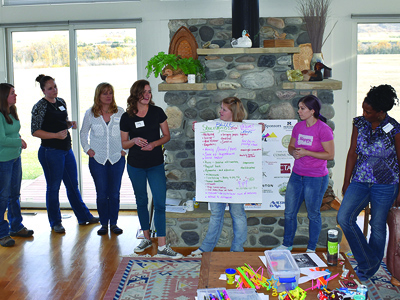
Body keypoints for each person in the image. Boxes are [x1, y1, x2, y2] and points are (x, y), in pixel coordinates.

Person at [337, 84, 400, 280]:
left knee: (378, 225)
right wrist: (346, 181)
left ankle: (368, 269)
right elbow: (352, 153)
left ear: (381, 112)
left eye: (368, 111)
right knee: (344, 218)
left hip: (386, 183)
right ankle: (370, 261)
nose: (364, 113)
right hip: (360, 180)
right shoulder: (359, 124)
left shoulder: (395, 129)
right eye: (363, 108)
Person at [120, 79, 182, 259]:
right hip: (135, 166)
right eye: (144, 92)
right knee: (141, 201)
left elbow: (167, 136)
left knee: (160, 203)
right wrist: (134, 141)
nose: (147, 95)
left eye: (149, 92)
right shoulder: (127, 117)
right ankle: (146, 238)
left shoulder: (157, 112)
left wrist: (154, 144)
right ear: (136, 95)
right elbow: (124, 143)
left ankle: (162, 246)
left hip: (155, 165)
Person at [31, 74, 99, 233]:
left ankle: (84, 217)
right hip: (50, 152)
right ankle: (55, 222)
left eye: (55, 86)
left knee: (72, 185)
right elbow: (35, 131)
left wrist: (69, 124)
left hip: (66, 150)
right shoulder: (39, 106)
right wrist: (55, 135)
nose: (54, 90)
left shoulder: (60, 102)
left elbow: (60, 122)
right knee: (53, 187)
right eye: (50, 88)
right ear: (43, 91)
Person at [191, 97, 254, 255]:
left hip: (236, 181)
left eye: (224, 109)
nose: (220, 111)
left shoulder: (245, 129)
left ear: (233, 112)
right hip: (217, 179)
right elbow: (203, 131)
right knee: (216, 214)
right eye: (221, 108)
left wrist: (259, 129)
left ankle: (237, 249)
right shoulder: (213, 126)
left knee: (238, 214)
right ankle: (206, 248)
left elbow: (253, 141)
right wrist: (197, 129)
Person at [274, 95, 334, 253]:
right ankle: (286, 245)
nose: (299, 111)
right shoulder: (298, 127)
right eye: (299, 108)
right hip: (296, 175)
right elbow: (291, 146)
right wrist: (293, 152)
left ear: (312, 111)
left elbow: (330, 155)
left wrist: (307, 152)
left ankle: (311, 249)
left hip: (315, 177)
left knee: (313, 214)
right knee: (289, 212)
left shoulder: (323, 129)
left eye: (302, 108)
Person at [80, 83, 126, 236]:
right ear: (98, 95)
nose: (108, 96)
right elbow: (83, 134)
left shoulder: (120, 112)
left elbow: (128, 132)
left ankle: (114, 223)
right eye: (105, 93)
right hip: (98, 159)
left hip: (116, 159)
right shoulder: (90, 113)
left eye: (110, 93)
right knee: (101, 193)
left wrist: (124, 150)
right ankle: (103, 224)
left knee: (114, 193)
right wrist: (87, 149)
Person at [0, 83, 34, 247]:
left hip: (15, 158)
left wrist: (18, 141)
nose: (16, 95)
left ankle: (16, 226)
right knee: (3, 196)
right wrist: (18, 142)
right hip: (3, 160)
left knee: (14, 194)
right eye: (13, 93)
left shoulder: (11, 112)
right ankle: (2, 233)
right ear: (4, 96)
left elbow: (14, 132)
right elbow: (2, 139)